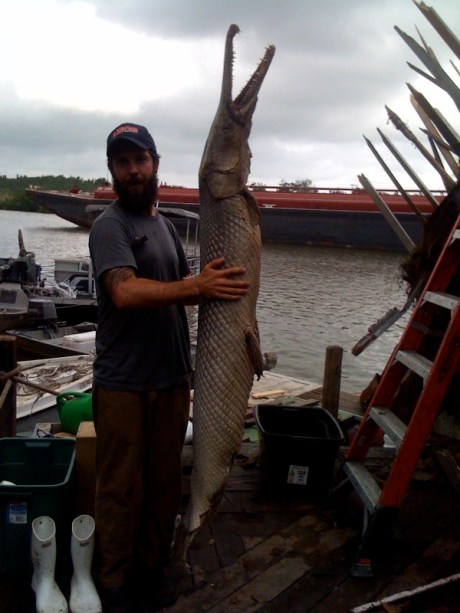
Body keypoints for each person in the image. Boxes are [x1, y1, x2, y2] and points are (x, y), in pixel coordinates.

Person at [89, 122, 249, 613]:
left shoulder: (162, 226)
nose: (133, 171)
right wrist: (196, 287)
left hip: (172, 379)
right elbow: (124, 291)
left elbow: (183, 285)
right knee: (118, 487)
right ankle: (113, 581)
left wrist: (221, 286)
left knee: (164, 485)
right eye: (123, 163)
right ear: (112, 171)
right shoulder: (110, 226)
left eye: (140, 160)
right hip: (123, 383)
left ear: (155, 164)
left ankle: (152, 567)